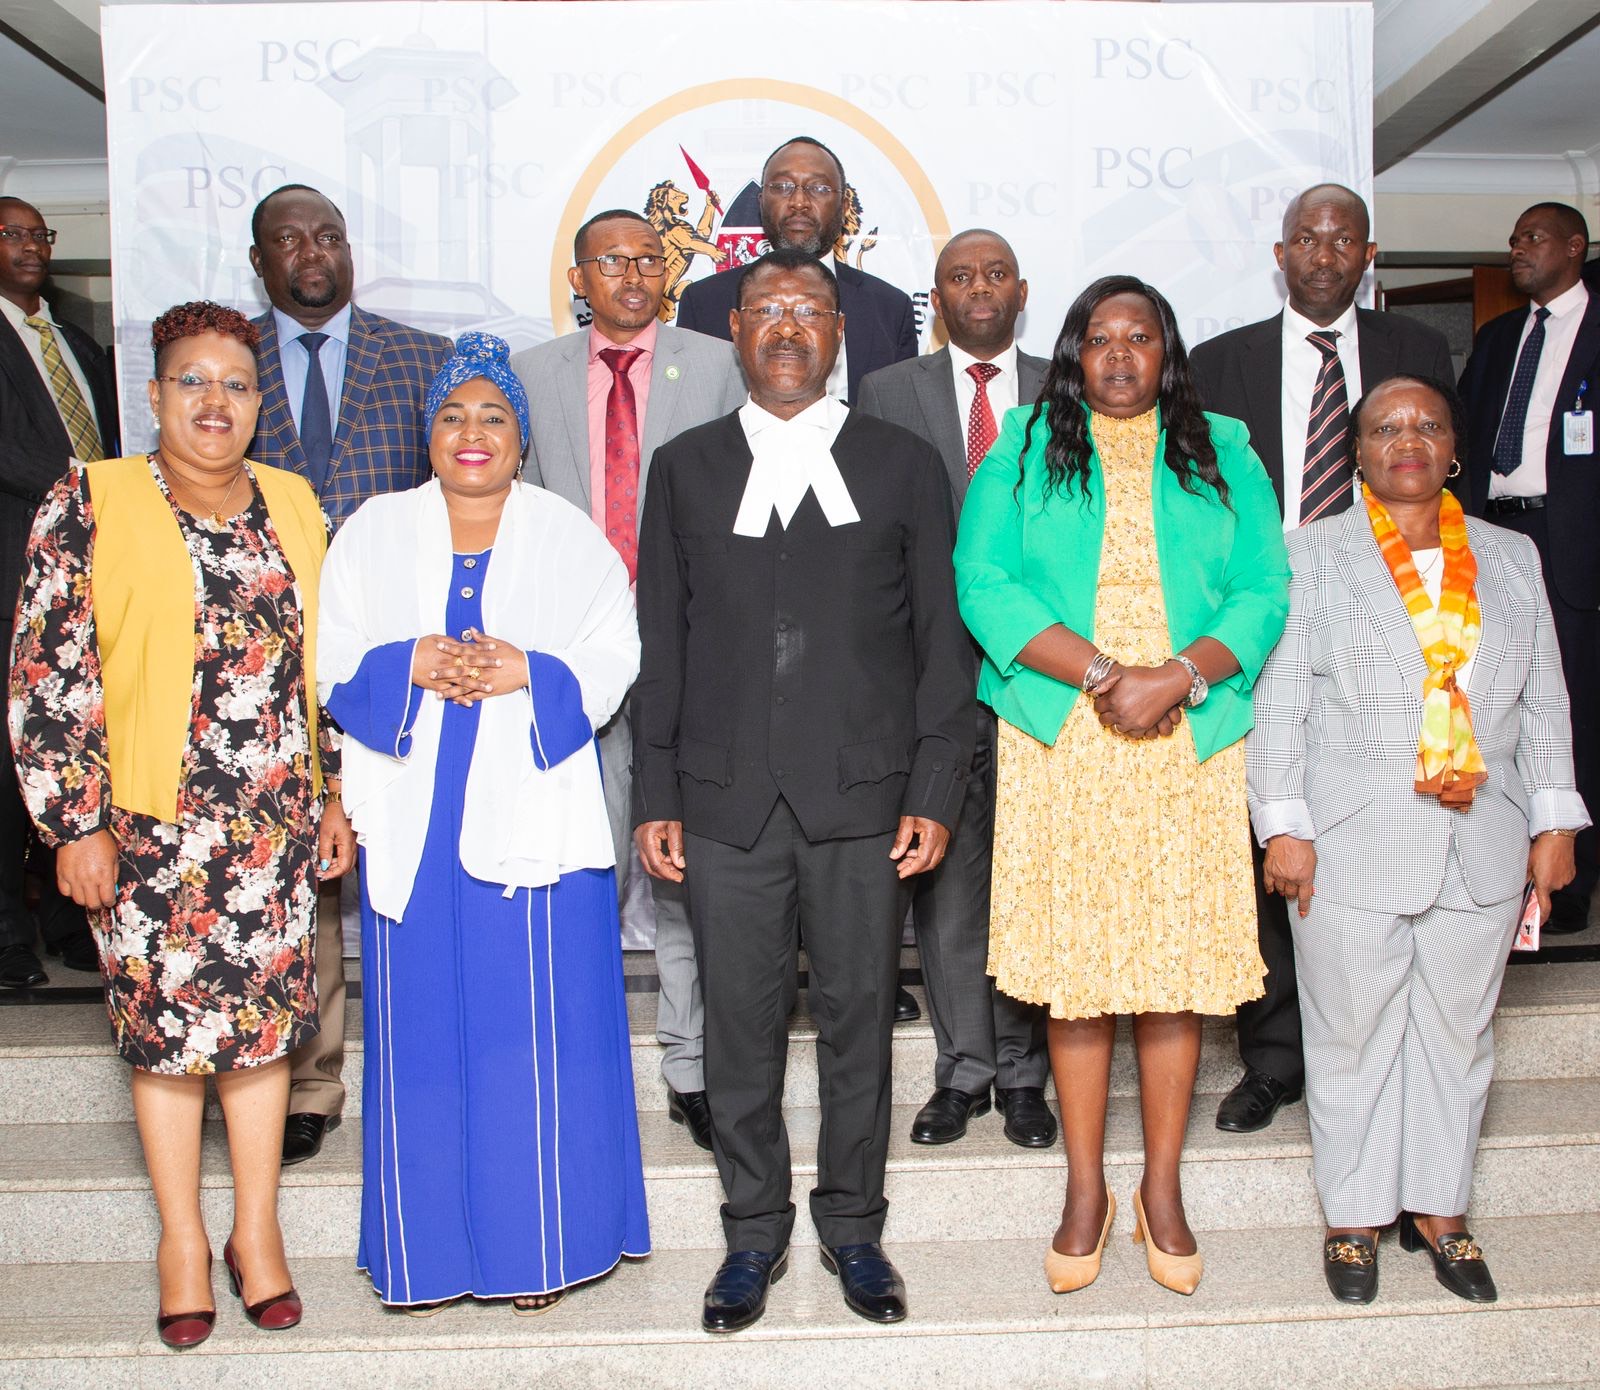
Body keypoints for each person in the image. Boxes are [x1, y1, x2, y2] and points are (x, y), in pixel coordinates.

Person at [632, 250, 972, 1332]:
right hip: (724, 798)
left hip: (865, 796)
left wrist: (934, 781)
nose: (786, 328)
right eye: (766, 311)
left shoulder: (904, 460)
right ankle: (750, 1231)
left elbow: (940, 641)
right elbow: (663, 645)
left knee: (858, 1019)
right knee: (737, 1028)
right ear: (734, 331)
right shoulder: (683, 465)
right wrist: (655, 791)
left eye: (809, 311)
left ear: (840, 333)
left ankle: (853, 1223)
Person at [8, 300, 353, 1347]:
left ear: (259, 404)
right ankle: (182, 1243)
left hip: (272, 828)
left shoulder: (295, 503)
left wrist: (336, 790)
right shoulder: (91, 498)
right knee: (165, 1045)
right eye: (193, 381)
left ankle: (257, 1236)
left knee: (260, 1043)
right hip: (147, 829)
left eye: (237, 384)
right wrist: (71, 823)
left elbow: (326, 663)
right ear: (154, 397)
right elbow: (47, 671)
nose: (216, 400)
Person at [954, 275, 1289, 1298]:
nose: (1117, 355)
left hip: (1185, 738)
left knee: (1174, 973)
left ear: (1165, 351)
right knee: (1080, 973)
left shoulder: (1223, 446)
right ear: (1070, 351)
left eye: (1138, 337)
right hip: (1067, 739)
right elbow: (984, 580)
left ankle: (1164, 1189)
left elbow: (1263, 586)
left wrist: (1177, 675)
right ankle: (1086, 1190)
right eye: (1097, 338)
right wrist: (1105, 675)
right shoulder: (1019, 444)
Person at [318, 332, 649, 1315]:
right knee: (423, 1044)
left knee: (535, 1045)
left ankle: (542, 1242)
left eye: (493, 416)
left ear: (521, 434)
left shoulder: (567, 534)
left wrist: (527, 672)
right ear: (430, 432)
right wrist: (409, 662)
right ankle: (426, 1252)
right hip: (413, 822)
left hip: (535, 829)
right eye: (454, 415)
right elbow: (333, 659)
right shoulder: (373, 531)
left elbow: (613, 654)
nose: (472, 433)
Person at [1247, 374, 1586, 1305]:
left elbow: (1547, 694)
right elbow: (1282, 700)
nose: (1408, 439)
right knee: (1350, 1031)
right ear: (1354, 453)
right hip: (1352, 835)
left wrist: (1556, 820)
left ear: (1454, 450)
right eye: (1386, 427)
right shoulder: (1309, 554)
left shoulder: (1513, 556)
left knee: (1458, 1032)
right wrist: (1283, 826)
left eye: (1428, 426)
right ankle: (1353, 1215)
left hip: (1485, 833)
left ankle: (1440, 1208)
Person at [1190, 183, 1455, 1135]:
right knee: (1269, 828)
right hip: (1258, 621)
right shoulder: (1220, 364)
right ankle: (1273, 1055)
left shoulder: (1419, 354)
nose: (1324, 251)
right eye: (1308, 236)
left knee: (1375, 828)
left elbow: (1436, 484)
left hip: (1388, 620)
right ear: (1281, 250)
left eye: (1343, 237)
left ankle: (1378, 1033)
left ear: (1368, 253)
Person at [511, 209, 745, 1151]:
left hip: (694, 651)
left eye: (649, 259)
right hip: (573, 655)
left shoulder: (719, 364)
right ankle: (582, 1056)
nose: (634, 273)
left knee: (684, 866)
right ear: (580, 275)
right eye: (614, 260)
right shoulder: (532, 376)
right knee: (586, 862)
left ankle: (690, 1062)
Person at [245, 183, 452, 1164]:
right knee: (301, 870)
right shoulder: (224, 367)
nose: (313, 252)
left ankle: (424, 1059)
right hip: (263, 662)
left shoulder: (419, 357)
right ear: (261, 260)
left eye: (328, 234)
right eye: (291, 239)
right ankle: (312, 1080)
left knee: (406, 848)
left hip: (397, 653)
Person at [857, 229, 1054, 1149]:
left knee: (1035, 878)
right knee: (947, 882)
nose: (978, 289)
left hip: (1047, 678)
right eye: (958, 277)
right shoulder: (888, 392)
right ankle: (964, 1068)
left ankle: (1025, 1073)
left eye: (995, 274)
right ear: (934, 297)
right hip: (926, 678)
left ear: (1023, 290)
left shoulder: (1069, 387)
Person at [1458, 202, 1600, 936]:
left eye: (1532, 238)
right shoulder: (1498, 337)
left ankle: (1569, 882)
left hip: (1571, 541)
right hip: (1495, 537)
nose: (1518, 248)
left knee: (1570, 711)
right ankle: (1503, 866)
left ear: (1574, 247)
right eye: (1512, 238)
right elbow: (1473, 438)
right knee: (1496, 697)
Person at [0, 194, 118, 989]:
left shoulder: (78, 341)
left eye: (38, 234)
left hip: (97, 573)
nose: (30, 246)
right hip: (12, 572)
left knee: (84, 744)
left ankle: (71, 922)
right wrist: (90, 496)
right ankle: (7, 933)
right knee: (11, 758)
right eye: (11, 234)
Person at [676, 137, 918, 403]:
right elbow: (693, 411)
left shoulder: (890, 308)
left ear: (845, 206)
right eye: (782, 186)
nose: (799, 202)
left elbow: (898, 422)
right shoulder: (703, 302)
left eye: (819, 188)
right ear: (760, 201)